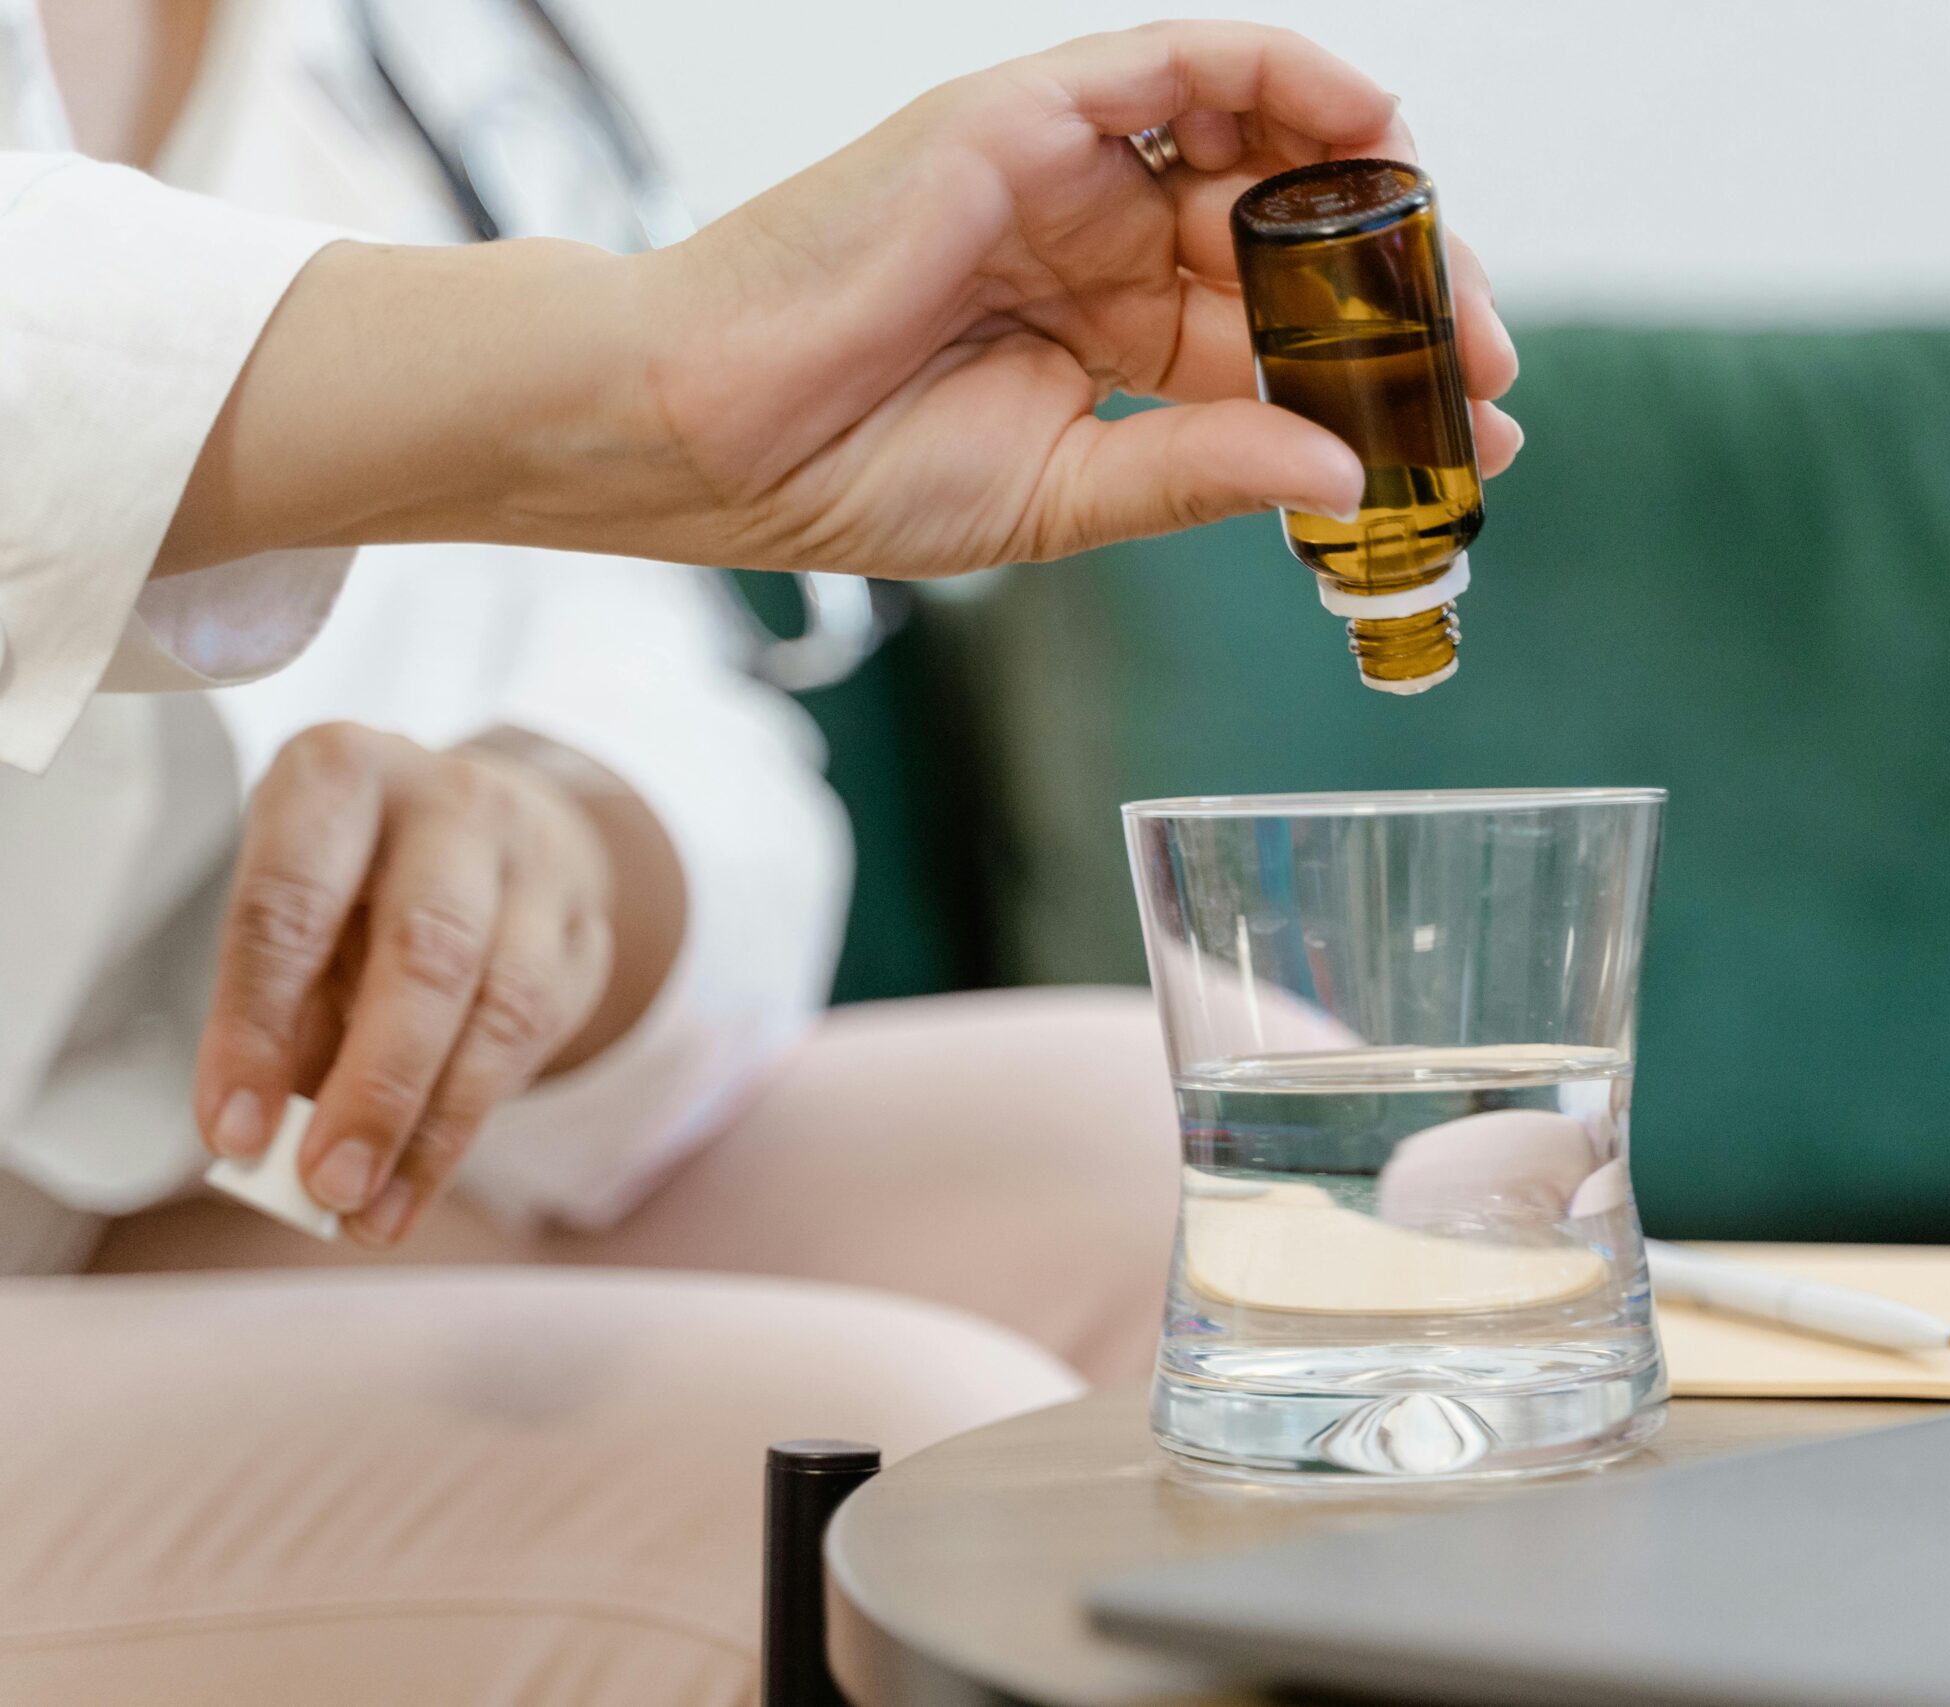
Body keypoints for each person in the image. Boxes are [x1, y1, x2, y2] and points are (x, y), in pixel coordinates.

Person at [0, 6, 1522, 1703]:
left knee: (1313, 1188)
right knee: (898, 1495)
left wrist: (569, 851)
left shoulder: (399, 46)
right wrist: (632, 373)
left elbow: (668, 698)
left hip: (226, 1183)